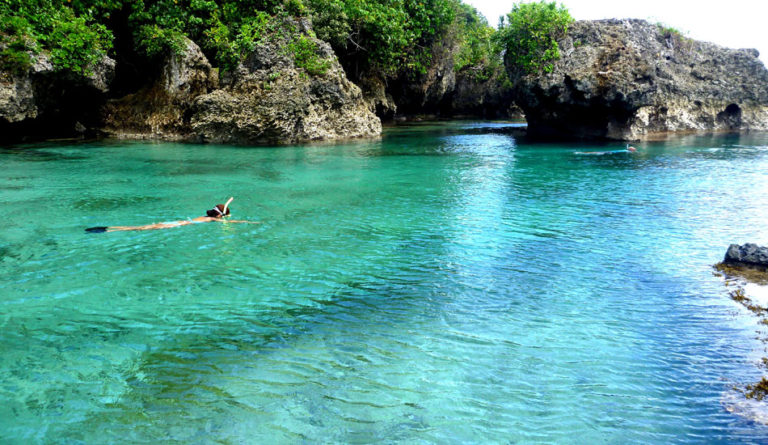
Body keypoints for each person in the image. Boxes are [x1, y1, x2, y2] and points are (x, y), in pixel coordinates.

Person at [85, 197, 258, 233]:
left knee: (143, 227)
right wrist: (248, 223)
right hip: (177, 225)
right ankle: (109, 229)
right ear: (220, 216)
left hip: (177, 222)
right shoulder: (213, 219)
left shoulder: (208, 217)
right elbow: (231, 222)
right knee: (140, 228)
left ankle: (110, 228)